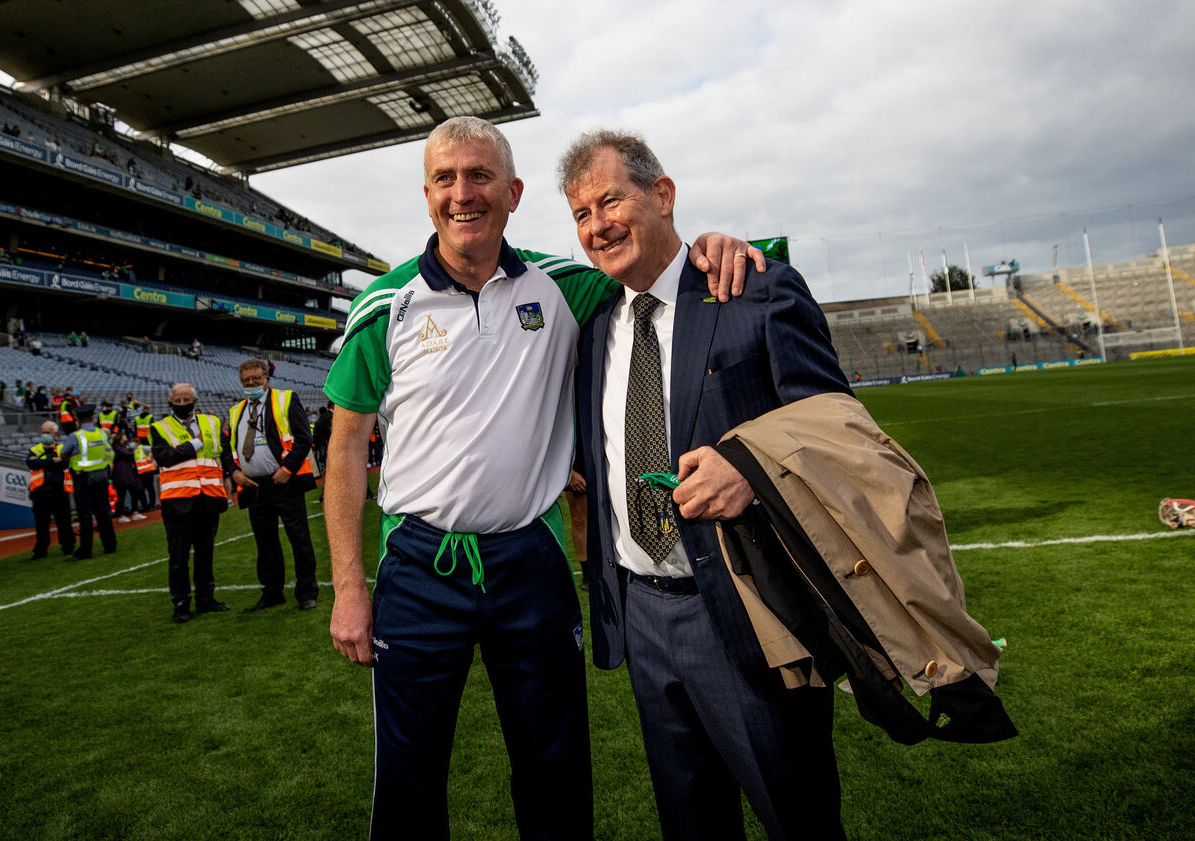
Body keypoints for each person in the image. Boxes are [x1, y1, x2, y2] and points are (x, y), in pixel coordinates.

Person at [323, 116, 759, 841]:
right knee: (408, 770)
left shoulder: (565, 288)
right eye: (445, 178)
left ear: (514, 191)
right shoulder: (384, 306)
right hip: (420, 565)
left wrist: (717, 244)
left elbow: (653, 266)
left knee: (555, 764)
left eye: (480, 176)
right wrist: (347, 586)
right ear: (427, 195)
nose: (464, 193)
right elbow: (344, 449)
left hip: (531, 559)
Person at [560, 129, 851, 840]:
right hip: (644, 617)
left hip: (750, 610)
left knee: (799, 820)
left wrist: (750, 466)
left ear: (662, 194)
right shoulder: (595, 328)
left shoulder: (753, 289)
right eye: (579, 215)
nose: (596, 225)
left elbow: (842, 430)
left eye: (610, 200)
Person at [227, 358, 319, 612]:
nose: (251, 383)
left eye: (256, 378)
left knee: (299, 538)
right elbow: (228, 449)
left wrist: (287, 468)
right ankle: (272, 592)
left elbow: (303, 438)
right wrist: (234, 472)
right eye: (246, 380)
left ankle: (307, 592)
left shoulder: (286, 399)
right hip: (254, 487)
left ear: (266, 377)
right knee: (265, 542)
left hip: (284, 483)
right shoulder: (236, 411)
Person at [151, 382, 234, 623]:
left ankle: (206, 599)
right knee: (178, 557)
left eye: (185, 399)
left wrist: (235, 474)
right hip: (178, 501)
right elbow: (164, 457)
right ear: (170, 403)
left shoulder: (213, 423)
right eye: (177, 401)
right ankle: (181, 603)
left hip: (208, 498)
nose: (182, 404)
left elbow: (224, 453)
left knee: (205, 553)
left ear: (195, 402)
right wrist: (194, 444)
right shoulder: (159, 428)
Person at [59, 402, 117, 560]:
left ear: (77, 419)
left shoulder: (76, 436)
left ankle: (85, 550)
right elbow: (108, 452)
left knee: (85, 515)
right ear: (92, 417)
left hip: (83, 479)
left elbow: (64, 453)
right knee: (103, 512)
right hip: (101, 477)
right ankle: (110, 545)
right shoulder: (102, 434)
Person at [27, 420, 75, 559]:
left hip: (59, 491)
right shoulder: (34, 449)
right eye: (43, 432)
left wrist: (42, 462)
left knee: (64, 522)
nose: (44, 435)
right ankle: (40, 550)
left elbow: (64, 464)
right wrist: (51, 461)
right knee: (41, 524)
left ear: (55, 434)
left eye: (47, 432)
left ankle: (68, 547)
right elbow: (31, 463)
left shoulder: (62, 449)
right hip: (40, 493)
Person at [110, 431, 146, 522]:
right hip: (121, 474)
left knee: (134, 492)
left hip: (128, 474)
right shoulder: (116, 448)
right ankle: (121, 515)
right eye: (124, 436)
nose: (126, 438)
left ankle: (135, 512)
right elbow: (128, 454)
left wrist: (128, 449)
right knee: (122, 495)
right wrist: (129, 449)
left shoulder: (122, 447)